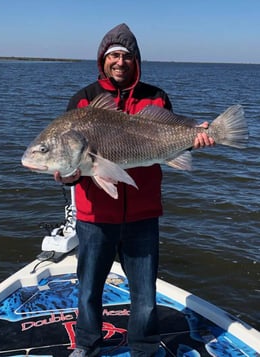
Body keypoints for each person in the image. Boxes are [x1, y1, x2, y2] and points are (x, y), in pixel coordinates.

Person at [55, 23, 214, 357]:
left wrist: (193, 138)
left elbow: (172, 135)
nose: (119, 62)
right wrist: (67, 176)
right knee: (88, 289)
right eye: (113, 55)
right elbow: (70, 160)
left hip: (142, 214)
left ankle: (143, 348)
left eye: (126, 56)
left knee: (144, 293)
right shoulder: (83, 99)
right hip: (95, 216)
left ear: (135, 60)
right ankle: (86, 344)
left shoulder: (156, 96)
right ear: (103, 58)